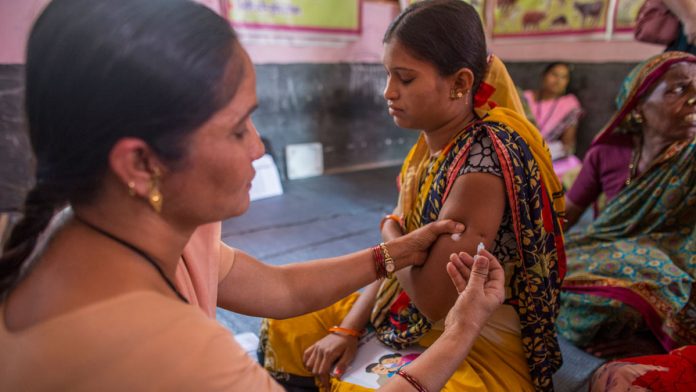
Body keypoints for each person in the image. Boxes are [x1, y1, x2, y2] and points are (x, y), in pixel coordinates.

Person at [0, 0, 510, 391]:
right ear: (140, 164)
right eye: (238, 128)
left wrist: (393, 252)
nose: (259, 146)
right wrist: (460, 331)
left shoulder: (116, 225)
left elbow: (278, 289)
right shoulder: (170, 353)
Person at [258, 1, 567, 391]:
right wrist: (348, 329)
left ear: (459, 83)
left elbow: (433, 300)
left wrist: (390, 232)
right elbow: (396, 261)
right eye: (388, 74)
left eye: (404, 78)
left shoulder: (482, 164)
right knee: (287, 324)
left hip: (473, 338)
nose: (388, 92)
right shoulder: (429, 151)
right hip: (401, 311)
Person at [557, 52, 696, 359]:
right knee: (544, 273)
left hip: (677, 266)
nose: (693, 100)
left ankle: (660, 339)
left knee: (633, 299)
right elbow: (564, 217)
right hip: (607, 252)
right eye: (680, 89)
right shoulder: (608, 151)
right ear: (639, 104)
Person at [522, 62, 584, 179]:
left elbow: (568, 145)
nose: (558, 80)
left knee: (573, 164)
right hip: (523, 149)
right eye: (554, 74)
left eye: (564, 77)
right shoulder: (525, 98)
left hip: (551, 156)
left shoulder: (569, 104)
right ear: (544, 76)